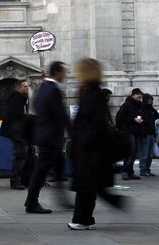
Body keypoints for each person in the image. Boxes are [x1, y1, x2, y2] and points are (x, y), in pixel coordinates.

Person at [69, 58, 129, 230]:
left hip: (90, 149)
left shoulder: (90, 93)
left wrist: (80, 143)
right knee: (90, 185)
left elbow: (91, 124)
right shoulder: (92, 91)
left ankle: (82, 219)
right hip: (93, 148)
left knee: (86, 186)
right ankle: (86, 218)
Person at [24, 61, 70, 214]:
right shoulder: (53, 90)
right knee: (41, 171)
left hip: (45, 135)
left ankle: (62, 197)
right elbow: (60, 114)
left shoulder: (42, 88)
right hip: (50, 137)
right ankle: (31, 202)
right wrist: (73, 131)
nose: (65, 75)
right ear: (57, 72)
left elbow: (37, 109)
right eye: (64, 72)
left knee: (59, 165)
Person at [0, 80, 34, 190]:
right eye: (24, 86)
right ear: (18, 87)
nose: (27, 88)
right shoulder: (16, 98)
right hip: (16, 131)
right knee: (20, 155)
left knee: (24, 154)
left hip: (18, 131)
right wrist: (29, 118)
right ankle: (15, 181)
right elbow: (16, 115)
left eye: (27, 86)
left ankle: (23, 179)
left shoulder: (21, 98)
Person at [116, 88, 144, 180]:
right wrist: (133, 120)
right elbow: (121, 117)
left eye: (140, 94)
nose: (139, 96)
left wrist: (140, 120)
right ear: (133, 95)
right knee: (130, 152)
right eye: (137, 94)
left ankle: (130, 172)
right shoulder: (127, 104)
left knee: (134, 152)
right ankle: (125, 171)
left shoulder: (139, 105)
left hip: (136, 131)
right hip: (128, 132)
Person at [139, 93, 159, 176]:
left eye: (151, 100)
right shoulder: (141, 108)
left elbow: (157, 115)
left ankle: (147, 169)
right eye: (149, 100)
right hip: (145, 134)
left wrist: (152, 107)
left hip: (151, 133)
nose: (150, 101)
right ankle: (143, 170)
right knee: (145, 153)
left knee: (150, 153)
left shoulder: (150, 109)